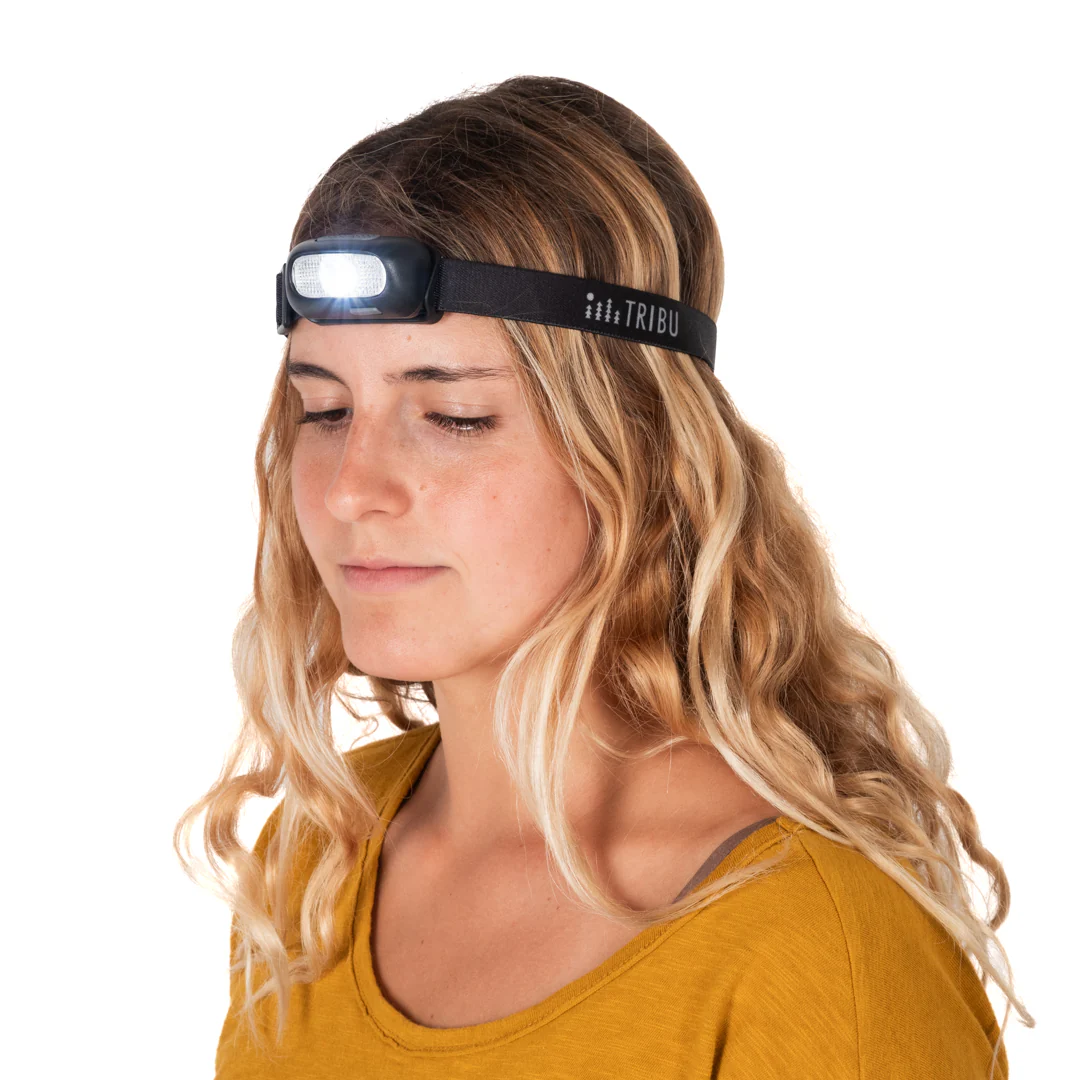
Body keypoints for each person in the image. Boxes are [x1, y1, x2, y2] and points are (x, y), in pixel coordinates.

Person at [175, 75, 1026, 1078]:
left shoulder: (817, 942)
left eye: (453, 417)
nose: (353, 487)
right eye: (324, 411)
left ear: (638, 447)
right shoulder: (317, 858)